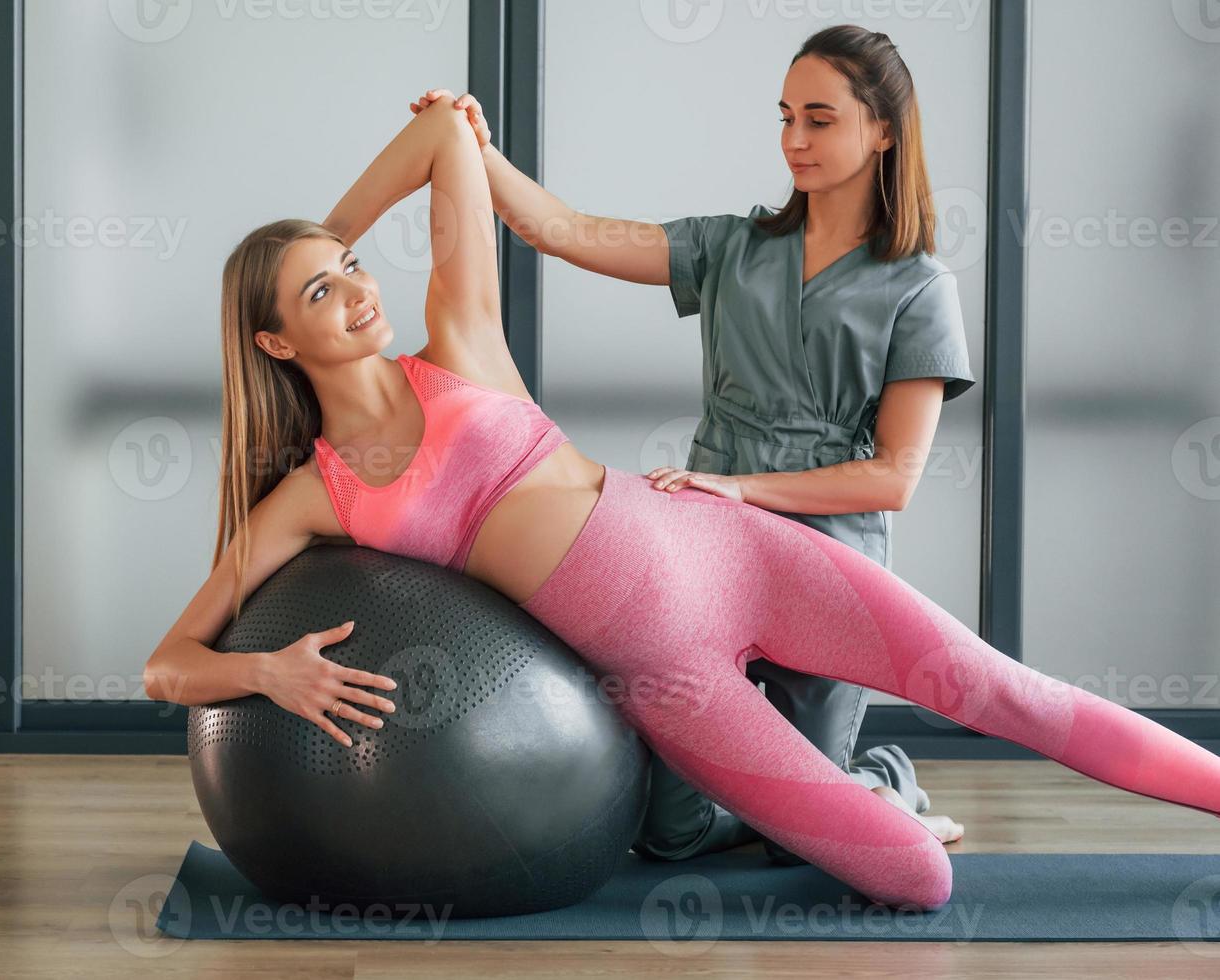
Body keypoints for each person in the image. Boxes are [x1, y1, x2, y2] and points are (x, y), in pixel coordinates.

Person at [143, 87, 1220, 914]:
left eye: (353, 267)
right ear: (274, 341)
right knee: (914, 883)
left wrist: (310, 240)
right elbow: (167, 662)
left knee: (1004, 690)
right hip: (668, 680)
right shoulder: (312, 496)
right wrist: (266, 671)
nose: (358, 289)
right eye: (321, 293)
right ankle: (877, 781)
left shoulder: (460, 343)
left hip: (733, 549)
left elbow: (442, 141)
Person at [408, 23, 971, 867]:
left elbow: (893, 478)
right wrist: (472, 147)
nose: (794, 140)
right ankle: (825, 793)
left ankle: (873, 774)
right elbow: (563, 229)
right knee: (667, 834)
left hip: (828, 568)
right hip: (701, 559)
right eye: (785, 117)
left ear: (883, 129)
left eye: (819, 119)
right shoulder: (730, 247)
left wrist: (743, 489)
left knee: (806, 846)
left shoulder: (920, 286)